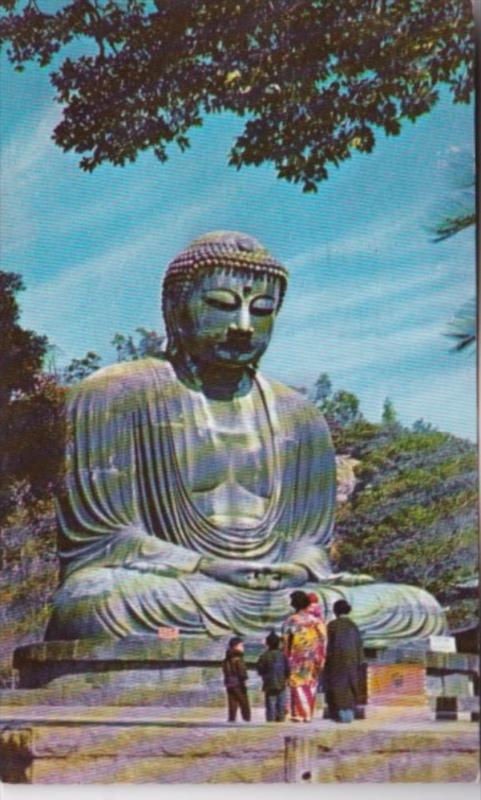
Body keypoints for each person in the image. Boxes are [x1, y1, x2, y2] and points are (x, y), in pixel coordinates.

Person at [45, 230, 446, 644]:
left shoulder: (301, 417)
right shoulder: (114, 393)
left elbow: (310, 542)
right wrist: (204, 566)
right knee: (96, 600)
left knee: (416, 608)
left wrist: (298, 567)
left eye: (262, 310)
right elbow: (105, 538)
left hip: (280, 593)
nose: (242, 327)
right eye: (221, 305)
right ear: (174, 308)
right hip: (179, 586)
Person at [282, 590, 327, 722]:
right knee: (311, 684)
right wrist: (322, 657)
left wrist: (287, 656)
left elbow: (286, 642)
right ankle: (308, 714)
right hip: (313, 657)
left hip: (296, 657)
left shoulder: (290, 621)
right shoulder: (316, 621)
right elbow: (324, 640)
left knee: (296, 684)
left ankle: (300, 713)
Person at [323, 599, 363, 723]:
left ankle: (340, 712)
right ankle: (348, 711)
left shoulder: (332, 625)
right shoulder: (353, 625)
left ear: (335, 611)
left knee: (337, 686)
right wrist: (359, 661)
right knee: (350, 685)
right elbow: (359, 645)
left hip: (336, 661)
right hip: (352, 660)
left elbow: (327, 645)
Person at [257, 630, 290, 722]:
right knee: (281, 705)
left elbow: (260, 670)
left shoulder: (264, 656)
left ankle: (270, 723)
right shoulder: (283, 656)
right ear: (278, 643)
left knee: (270, 706)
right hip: (281, 684)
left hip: (268, 684)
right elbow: (288, 669)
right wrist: (286, 678)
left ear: (267, 643)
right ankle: (280, 723)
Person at [222, 636, 251, 723]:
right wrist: (245, 678)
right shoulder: (238, 658)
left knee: (232, 702)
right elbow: (242, 672)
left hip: (229, 682)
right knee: (244, 702)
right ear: (235, 646)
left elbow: (225, 670)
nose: (243, 648)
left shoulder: (226, 659)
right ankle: (246, 719)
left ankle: (231, 718)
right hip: (238, 683)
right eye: (241, 646)